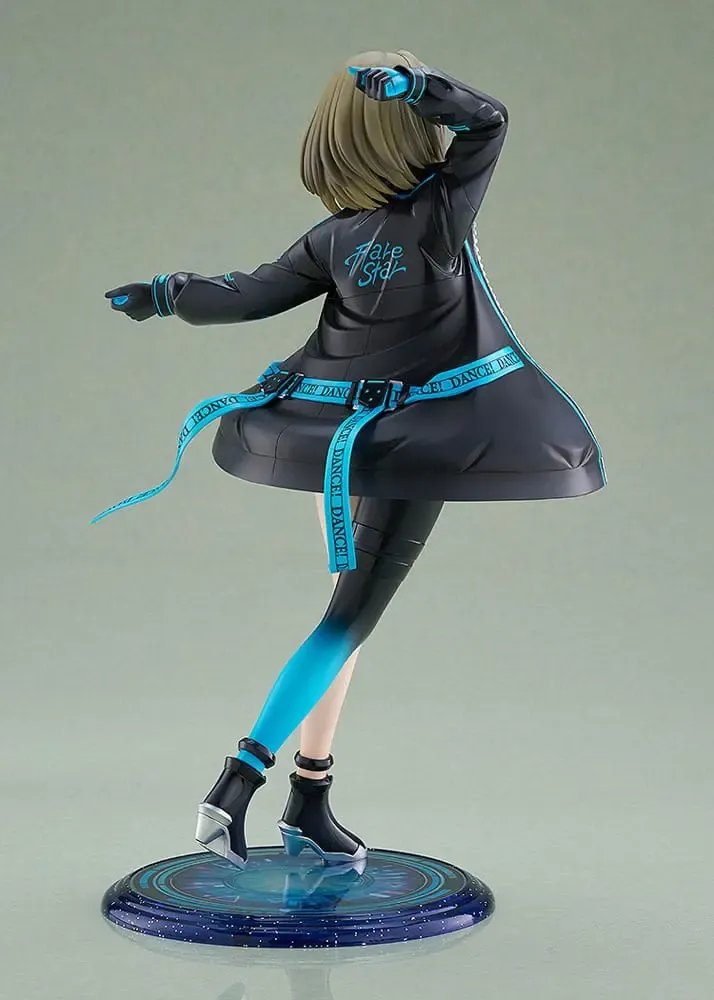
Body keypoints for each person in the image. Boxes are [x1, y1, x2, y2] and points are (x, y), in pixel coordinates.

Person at [100, 50, 605, 869]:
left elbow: (243, 294)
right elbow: (490, 122)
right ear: (403, 130)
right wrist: (424, 89)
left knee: (346, 618)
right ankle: (236, 784)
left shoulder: (334, 237)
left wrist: (163, 294)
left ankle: (310, 796)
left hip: (329, 436)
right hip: (405, 444)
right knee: (346, 621)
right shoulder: (440, 211)